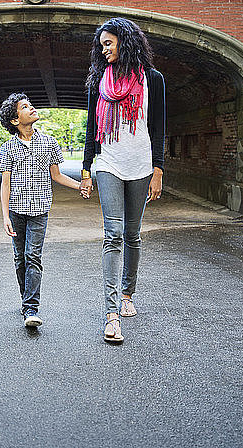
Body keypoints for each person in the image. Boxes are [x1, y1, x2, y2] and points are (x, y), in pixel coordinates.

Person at [80, 17, 166, 343]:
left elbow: (158, 129)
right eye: (101, 46)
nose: (104, 51)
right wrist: (87, 169)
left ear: (125, 42)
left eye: (109, 44)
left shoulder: (153, 81)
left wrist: (158, 170)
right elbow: (91, 130)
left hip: (142, 167)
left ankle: (128, 292)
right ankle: (112, 312)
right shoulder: (98, 83)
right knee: (112, 234)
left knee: (133, 234)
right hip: (109, 165)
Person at [0, 93, 87, 328]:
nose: (32, 108)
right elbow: (5, 184)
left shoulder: (49, 143)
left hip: (39, 210)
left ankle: (31, 308)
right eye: (25, 107)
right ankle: (26, 299)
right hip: (16, 211)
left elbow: (56, 176)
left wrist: (80, 186)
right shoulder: (8, 148)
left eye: (31, 105)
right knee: (20, 259)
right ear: (15, 120)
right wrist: (5, 216)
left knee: (33, 256)